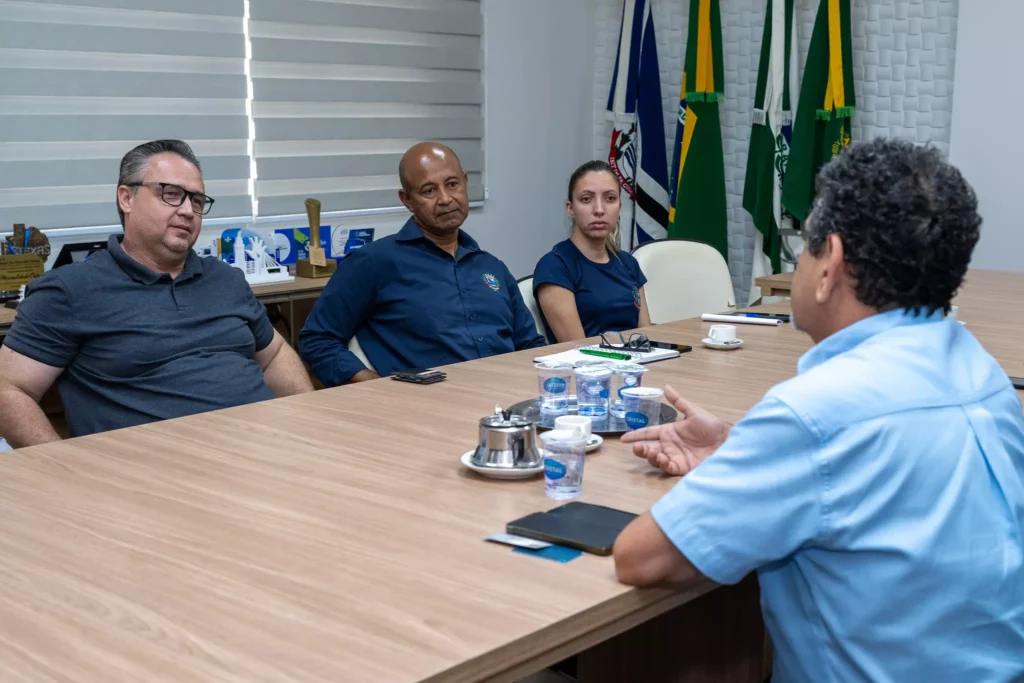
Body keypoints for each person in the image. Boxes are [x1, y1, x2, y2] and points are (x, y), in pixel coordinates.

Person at [613, 139, 1024, 682]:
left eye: (804, 245)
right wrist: (744, 452)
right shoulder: (984, 373)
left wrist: (767, 455)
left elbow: (640, 558)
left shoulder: (817, 413)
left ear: (829, 261)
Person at [0, 140, 312, 447]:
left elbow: (274, 356)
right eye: (172, 194)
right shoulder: (69, 290)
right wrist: (62, 467)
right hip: (157, 475)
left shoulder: (226, 280)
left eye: (198, 201)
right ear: (127, 198)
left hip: (264, 449)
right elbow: (9, 389)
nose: (188, 210)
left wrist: (310, 421)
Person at [299, 142, 546, 385]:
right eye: (429, 191)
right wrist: (372, 386)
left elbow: (529, 345)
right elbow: (317, 340)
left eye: (452, 184)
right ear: (407, 200)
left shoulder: (492, 267)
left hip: (508, 400)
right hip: (428, 407)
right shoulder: (374, 263)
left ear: (465, 183)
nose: (446, 199)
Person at [533, 160, 651, 342]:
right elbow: (577, 348)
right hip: (588, 367)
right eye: (586, 199)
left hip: (638, 363)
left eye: (610, 198)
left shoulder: (628, 263)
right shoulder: (555, 267)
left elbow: (645, 337)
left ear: (619, 207)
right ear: (570, 208)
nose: (599, 210)